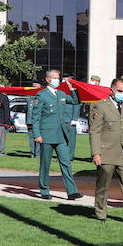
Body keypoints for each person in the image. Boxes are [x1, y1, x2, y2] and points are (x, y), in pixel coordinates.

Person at [88, 78, 123, 223]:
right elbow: (95, 131)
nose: (122, 94)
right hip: (107, 153)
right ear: (111, 90)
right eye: (120, 91)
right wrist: (96, 153)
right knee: (103, 186)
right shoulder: (100, 107)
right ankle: (100, 213)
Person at [32, 70, 83, 200]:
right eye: (55, 78)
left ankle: (72, 191)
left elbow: (76, 101)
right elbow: (36, 117)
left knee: (66, 162)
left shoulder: (61, 94)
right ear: (48, 79)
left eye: (58, 78)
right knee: (45, 164)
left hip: (61, 135)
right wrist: (37, 134)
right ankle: (44, 190)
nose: (58, 80)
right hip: (46, 135)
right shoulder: (41, 95)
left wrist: (72, 89)